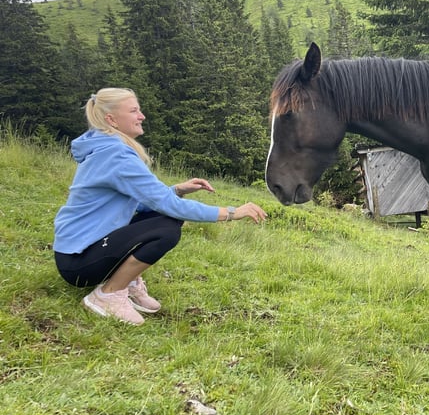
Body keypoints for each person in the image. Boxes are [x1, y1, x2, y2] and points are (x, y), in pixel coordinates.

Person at [53, 88, 268, 325]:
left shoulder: (109, 147)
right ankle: (108, 295)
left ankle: (129, 282)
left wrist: (177, 190)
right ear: (111, 120)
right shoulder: (116, 156)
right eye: (134, 110)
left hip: (83, 249)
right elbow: (168, 205)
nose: (142, 115)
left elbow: (149, 204)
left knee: (165, 218)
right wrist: (231, 213)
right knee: (166, 230)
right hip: (78, 262)